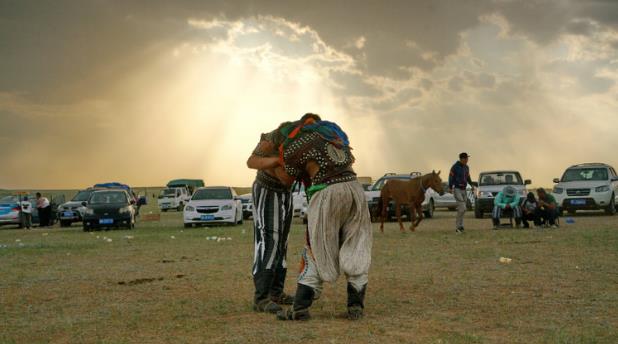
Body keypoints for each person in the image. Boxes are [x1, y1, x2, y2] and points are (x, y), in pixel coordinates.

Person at [276, 113, 372, 321]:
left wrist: (275, 161)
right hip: (354, 189)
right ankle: (355, 306)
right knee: (356, 244)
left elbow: (286, 178)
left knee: (315, 248)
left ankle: (300, 308)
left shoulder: (296, 143)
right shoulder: (334, 134)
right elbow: (350, 159)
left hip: (327, 192)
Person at [246, 122, 295, 314]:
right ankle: (261, 298)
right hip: (267, 190)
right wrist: (276, 162)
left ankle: (276, 293)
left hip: (285, 193)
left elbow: (287, 179)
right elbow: (251, 161)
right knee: (269, 240)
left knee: (282, 242)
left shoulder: (302, 143)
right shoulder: (269, 139)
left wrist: (274, 163)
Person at [448, 152, 473, 233]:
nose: (467, 160)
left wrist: (472, 184)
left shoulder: (466, 167)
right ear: (462, 159)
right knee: (462, 208)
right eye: (466, 158)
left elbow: (468, 177)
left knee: (463, 210)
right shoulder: (454, 167)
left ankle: (461, 226)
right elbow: (450, 177)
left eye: (467, 158)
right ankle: (457, 227)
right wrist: (450, 187)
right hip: (457, 189)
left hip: (464, 189)